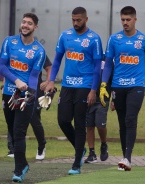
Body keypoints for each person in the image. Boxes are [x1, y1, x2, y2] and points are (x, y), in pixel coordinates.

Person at [100, 6, 145, 171]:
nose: (125, 23)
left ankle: (127, 158)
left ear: (135, 19)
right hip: (118, 86)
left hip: (136, 86)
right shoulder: (114, 39)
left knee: (130, 119)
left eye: (128, 20)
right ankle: (124, 158)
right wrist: (104, 84)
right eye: (123, 20)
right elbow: (107, 65)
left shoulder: (144, 40)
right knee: (122, 122)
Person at [45, 7, 103, 175]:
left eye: (79, 20)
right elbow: (56, 61)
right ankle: (80, 149)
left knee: (79, 124)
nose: (76, 23)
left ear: (86, 19)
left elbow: (98, 66)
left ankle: (76, 163)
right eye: (73, 20)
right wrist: (50, 81)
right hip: (67, 85)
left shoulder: (94, 39)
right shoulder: (65, 36)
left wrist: (93, 90)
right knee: (63, 120)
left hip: (84, 86)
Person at [0, 13, 46, 182]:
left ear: (35, 27)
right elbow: (0, 66)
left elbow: (34, 75)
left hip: (26, 97)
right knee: (12, 130)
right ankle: (23, 164)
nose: (25, 25)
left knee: (19, 132)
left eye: (29, 23)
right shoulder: (9, 42)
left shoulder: (39, 50)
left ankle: (18, 171)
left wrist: (31, 91)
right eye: (24, 22)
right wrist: (16, 80)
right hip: (8, 93)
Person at [5, 55, 52, 160]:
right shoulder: (13, 49)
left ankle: (41, 146)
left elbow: (49, 67)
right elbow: (6, 69)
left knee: (34, 118)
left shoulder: (38, 51)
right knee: (13, 117)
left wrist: (48, 82)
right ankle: (13, 148)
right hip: (15, 88)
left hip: (33, 89)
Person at [84, 57, 112, 163]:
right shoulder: (87, 58)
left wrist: (114, 99)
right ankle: (92, 153)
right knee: (89, 126)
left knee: (100, 125)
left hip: (102, 98)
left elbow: (112, 78)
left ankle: (104, 144)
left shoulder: (107, 60)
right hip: (87, 96)